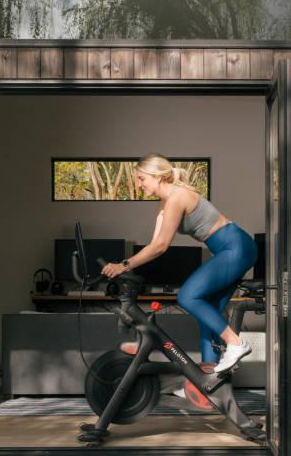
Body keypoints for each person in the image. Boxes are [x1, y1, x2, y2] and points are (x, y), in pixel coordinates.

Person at [101, 154, 258, 374]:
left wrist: (124, 265)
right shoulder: (166, 202)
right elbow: (154, 245)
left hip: (235, 247)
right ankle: (205, 380)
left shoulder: (177, 197)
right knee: (208, 313)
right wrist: (123, 266)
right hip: (230, 248)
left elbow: (161, 246)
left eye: (141, 178)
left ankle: (236, 344)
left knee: (187, 296)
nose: (138, 184)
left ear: (157, 176)